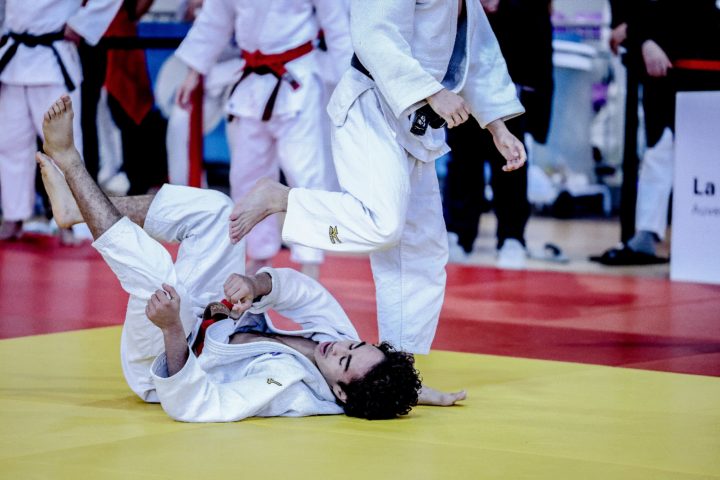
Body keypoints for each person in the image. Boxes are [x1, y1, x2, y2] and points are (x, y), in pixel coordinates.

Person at [37, 95, 463, 421]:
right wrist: (256, 286)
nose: (341, 346)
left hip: (163, 360)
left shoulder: (288, 391)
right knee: (218, 212)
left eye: (345, 360)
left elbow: (195, 403)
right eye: (357, 344)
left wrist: (170, 328)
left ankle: (70, 162)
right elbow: (301, 292)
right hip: (206, 316)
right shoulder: (338, 341)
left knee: (158, 275)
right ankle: (75, 210)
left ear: (340, 394)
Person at [228, 0, 526, 355]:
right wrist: (433, 91)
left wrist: (497, 127)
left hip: (415, 123)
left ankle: (400, 359)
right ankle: (282, 199)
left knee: (422, 251)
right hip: (370, 107)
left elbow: (478, 57)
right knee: (383, 224)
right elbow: (373, 34)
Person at [173, 0, 352, 279]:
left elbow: (337, 26)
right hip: (251, 82)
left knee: (304, 173)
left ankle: (310, 259)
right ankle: (258, 252)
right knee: (246, 175)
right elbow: (215, 19)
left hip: (298, 80)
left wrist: (348, 85)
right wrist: (194, 72)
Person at [593, 0, 720, 265]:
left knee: (698, 154)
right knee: (660, 148)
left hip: (698, 58)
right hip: (663, 64)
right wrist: (640, 36)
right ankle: (649, 236)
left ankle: (693, 238)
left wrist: (635, 31)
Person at [442, 0, 553, 269]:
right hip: (462, 70)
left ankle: (512, 236)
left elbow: (539, 29)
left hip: (515, 73)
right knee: (463, 159)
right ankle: (459, 233)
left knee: (510, 161)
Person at [0, 0, 122, 240]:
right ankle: (14, 217)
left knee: (63, 147)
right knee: (10, 144)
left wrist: (82, 25)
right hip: (14, 58)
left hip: (54, 60)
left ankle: (71, 222)